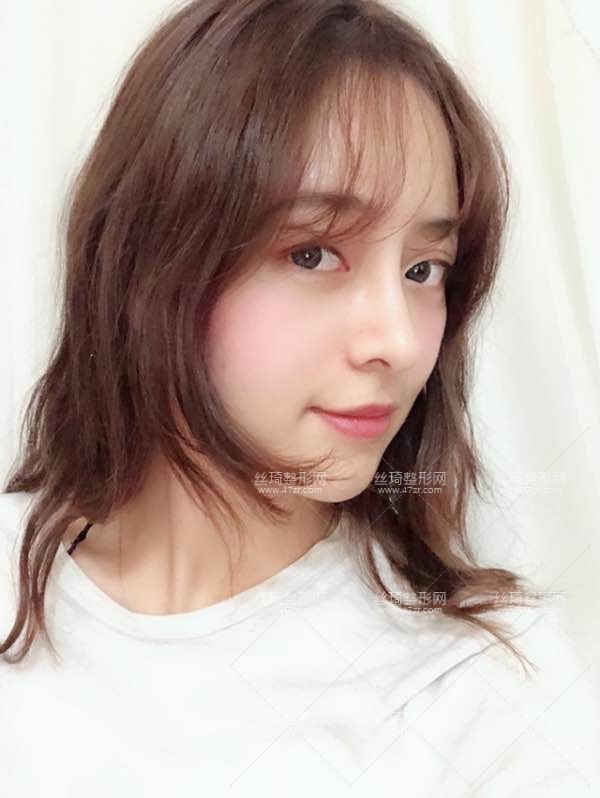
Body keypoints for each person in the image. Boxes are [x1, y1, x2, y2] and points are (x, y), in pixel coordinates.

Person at [1, 1, 597, 795]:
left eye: (424, 269)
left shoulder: (482, 692)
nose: (398, 341)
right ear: (147, 260)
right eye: (314, 253)